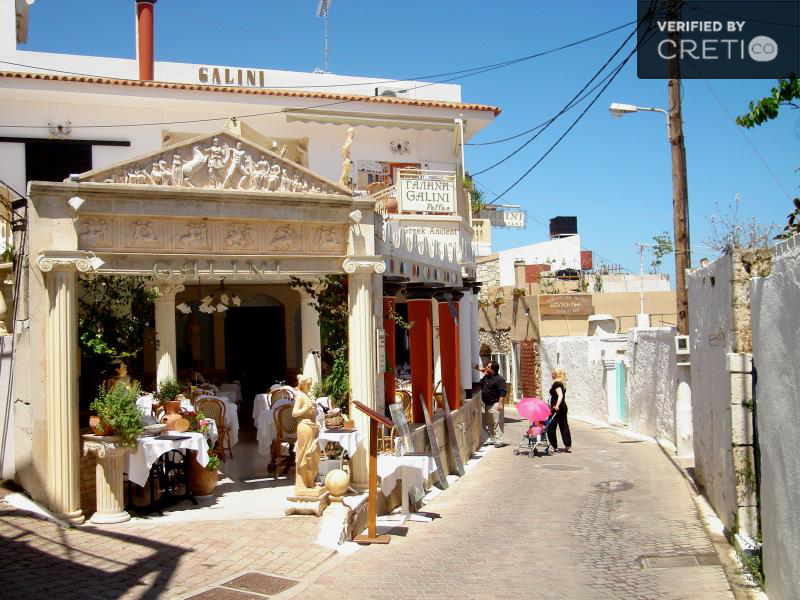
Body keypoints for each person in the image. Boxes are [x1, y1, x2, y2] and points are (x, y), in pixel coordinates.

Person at [476, 361, 507, 447]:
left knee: (497, 423)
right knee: (490, 423)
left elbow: (502, 392)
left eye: (488, 367)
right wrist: (482, 372)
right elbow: (480, 384)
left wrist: (500, 404)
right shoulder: (487, 377)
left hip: (495, 404)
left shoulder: (499, 379)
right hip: (488, 404)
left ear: (493, 369)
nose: (486, 368)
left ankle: (499, 441)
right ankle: (493, 439)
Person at [547, 369, 572, 453]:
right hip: (563, 407)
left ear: (556, 374)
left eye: (553, 373)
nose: (551, 374)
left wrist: (556, 405)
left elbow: (560, 395)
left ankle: (554, 446)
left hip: (556, 408)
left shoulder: (556, 383)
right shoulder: (561, 383)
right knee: (564, 425)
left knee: (550, 427)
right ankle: (568, 446)